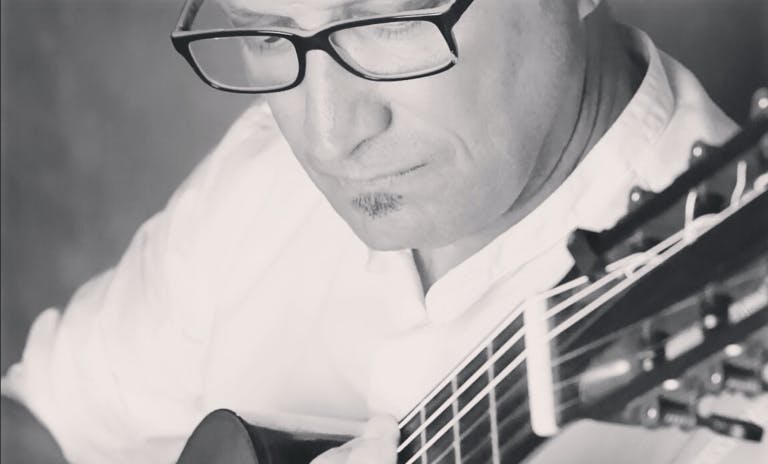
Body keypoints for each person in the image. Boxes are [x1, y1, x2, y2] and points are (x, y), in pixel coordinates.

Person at [1, 0, 764, 463]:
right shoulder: (262, 176)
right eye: (266, 34)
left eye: (391, 21)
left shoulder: (742, 396)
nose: (331, 137)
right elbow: (41, 425)